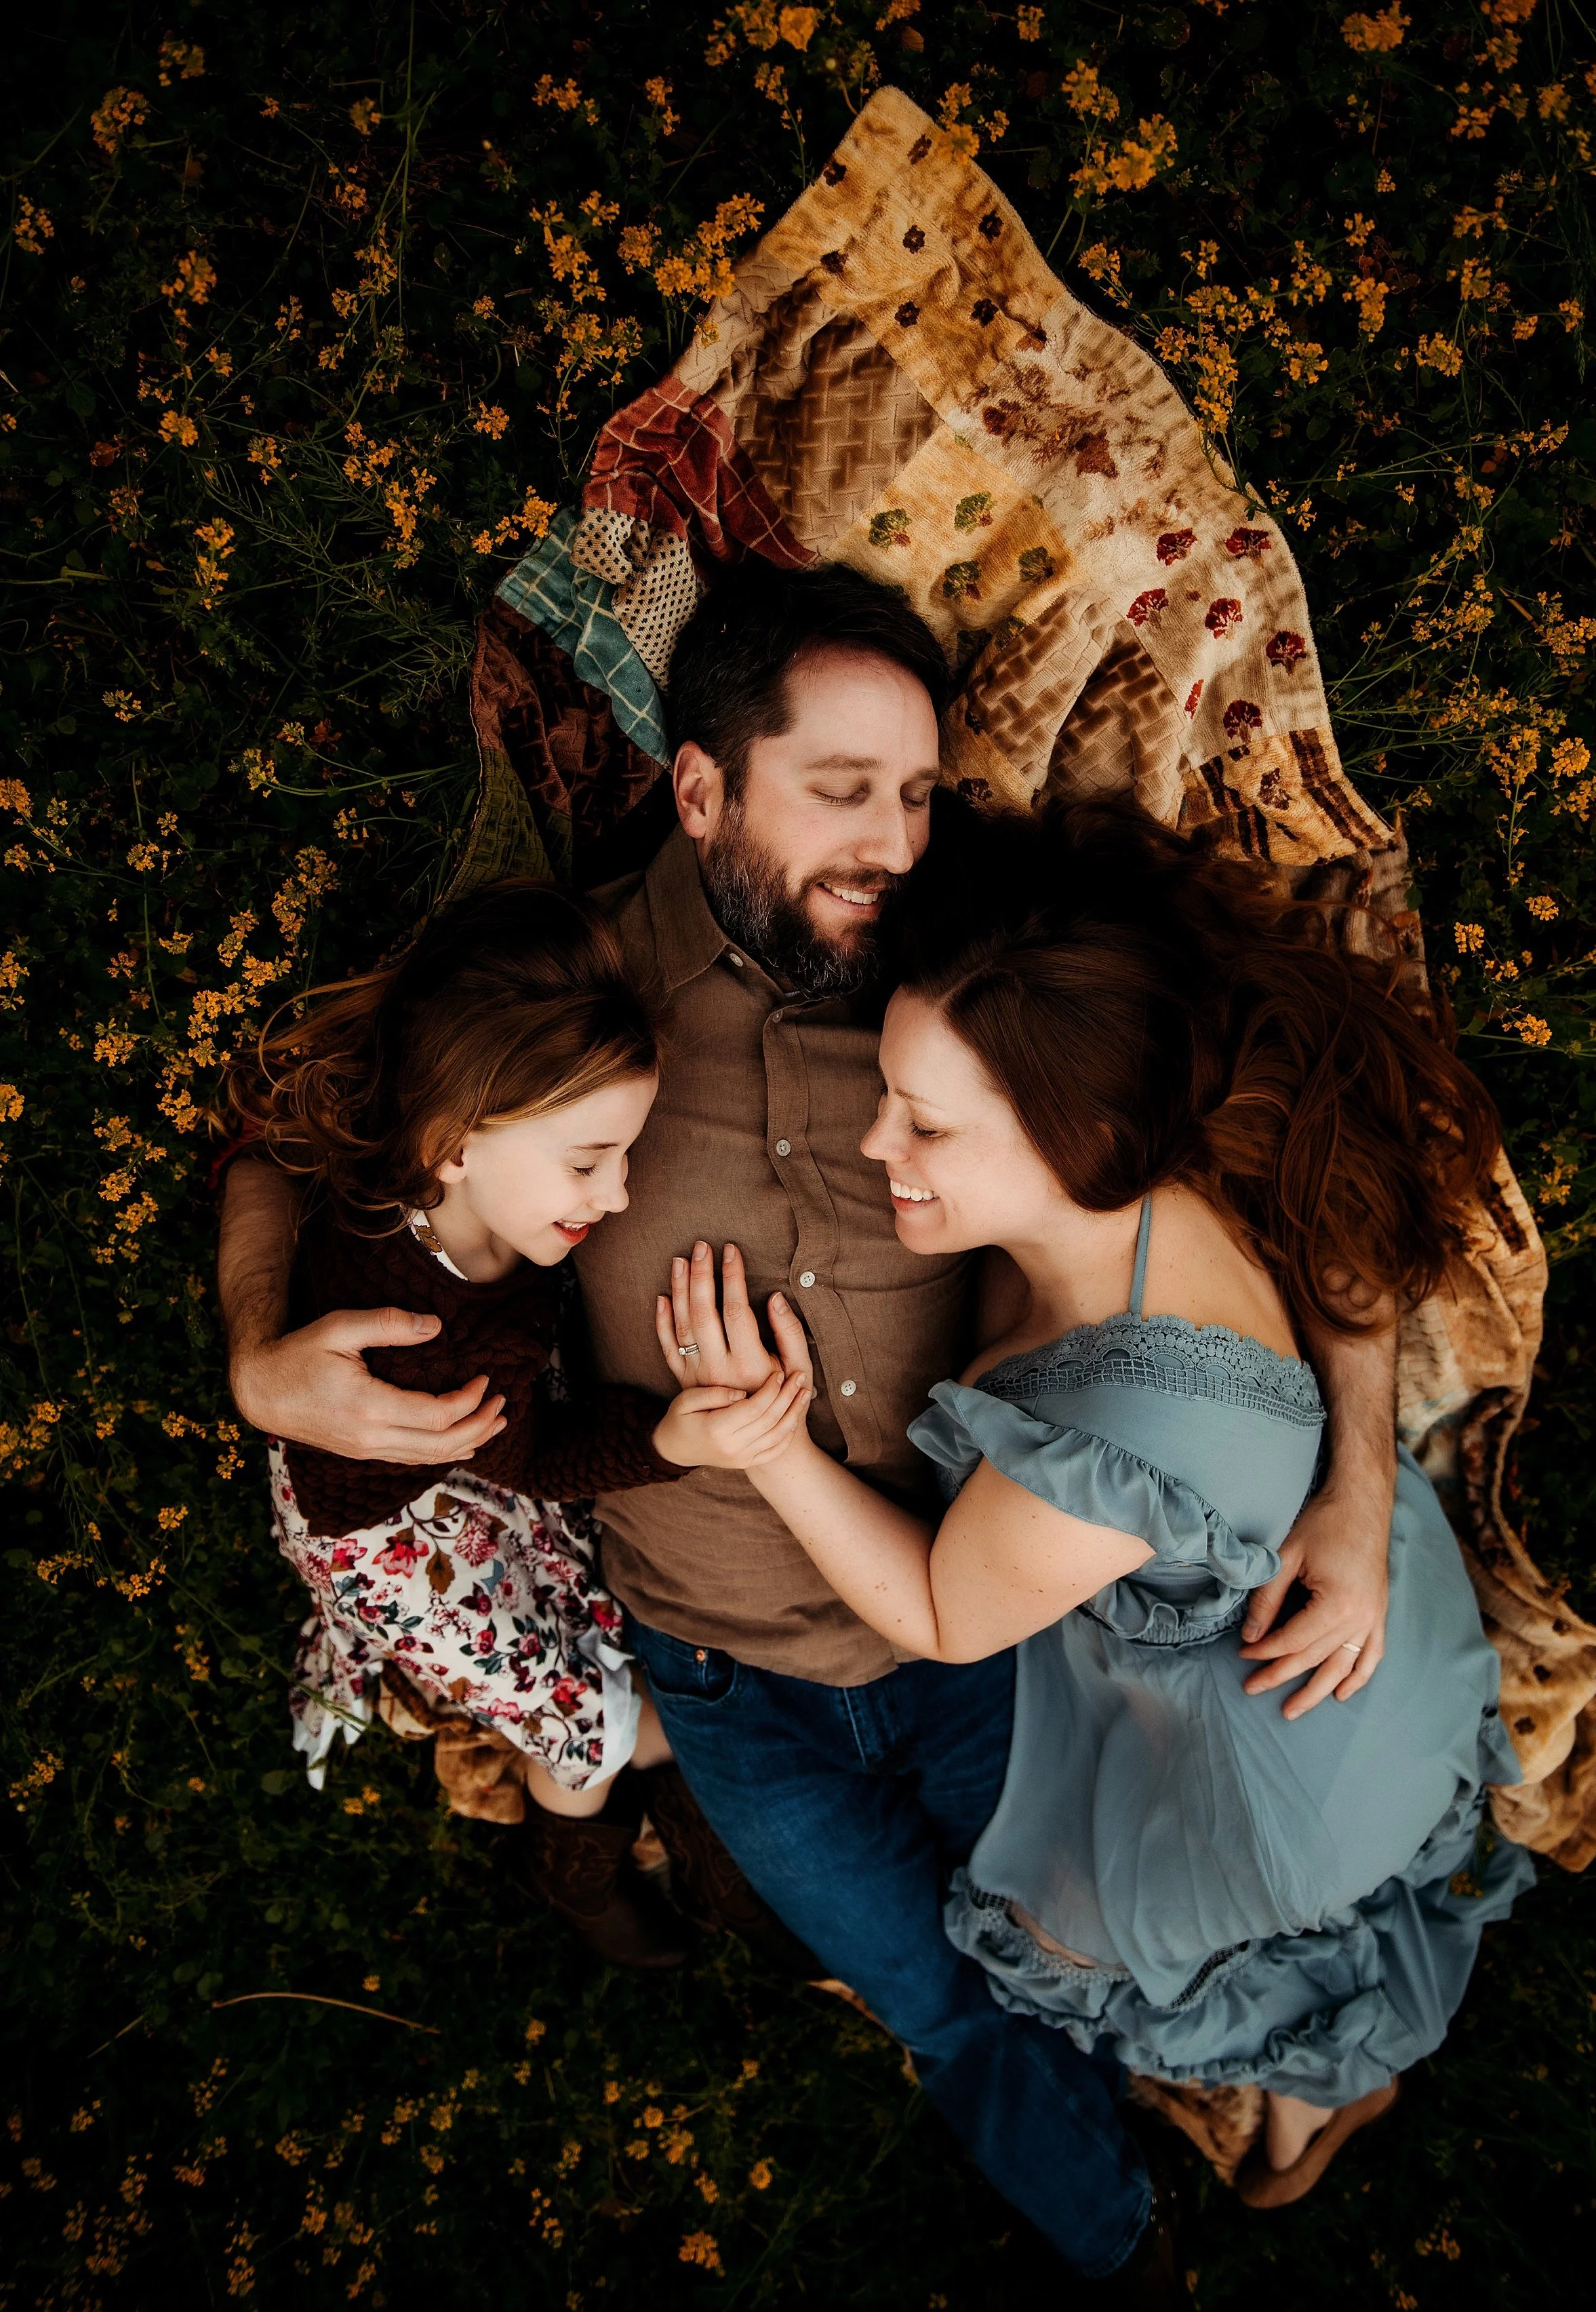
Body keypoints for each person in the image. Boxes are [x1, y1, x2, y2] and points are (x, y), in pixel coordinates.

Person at [218, 562, 1402, 2296]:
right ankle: (1126, 2244)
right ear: (701, 791)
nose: (892, 845)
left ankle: (1274, 2067)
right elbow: (276, 1138)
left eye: (917, 795)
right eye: (840, 793)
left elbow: (1321, 1160)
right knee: (933, 1996)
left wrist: (1358, 1484)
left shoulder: (985, 983)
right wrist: (257, 1353)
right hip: (721, 1678)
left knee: (1097, 1939)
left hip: (990, 1632)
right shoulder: (566, 991)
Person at [679, 795, 1534, 2207]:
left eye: (926, 1124)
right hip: (1342, 1594)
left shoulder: (1132, 1425)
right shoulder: (1157, 1134)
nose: (878, 1143)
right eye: (890, 1094)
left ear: (1073, 1130)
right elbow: (1350, 1240)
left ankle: (1334, 2070)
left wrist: (766, 1441)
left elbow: (947, 1613)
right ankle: (1335, 2056)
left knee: (1089, 1944)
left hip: (1276, 1755)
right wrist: (1358, 1483)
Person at [226, 880, 809, 1968]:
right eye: (589, 1162)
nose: (621, 1195)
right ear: (455, 1142)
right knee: (592, 1719)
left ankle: (685, 1831)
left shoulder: (407, 1178)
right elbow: (541, 1462)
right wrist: (674, 1439)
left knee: (591, 1610)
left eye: (622, 1155)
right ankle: (572, 1864)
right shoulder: (434, 1332)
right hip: (380, 1538)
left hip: (458, 1469)